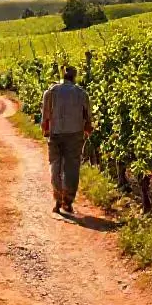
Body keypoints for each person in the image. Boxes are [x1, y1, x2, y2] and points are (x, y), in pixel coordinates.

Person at [41, 65, 92, 215]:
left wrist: (46, 130)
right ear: (74, 77)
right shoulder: (81, 93)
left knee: (55, 166)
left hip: (56, 133)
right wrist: (87, 131)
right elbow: (88, 117)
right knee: (72, 168)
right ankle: (67, 201)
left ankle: (58, 198)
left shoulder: (51, 91)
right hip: (74, 135)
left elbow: (45, 114)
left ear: (62, 76)